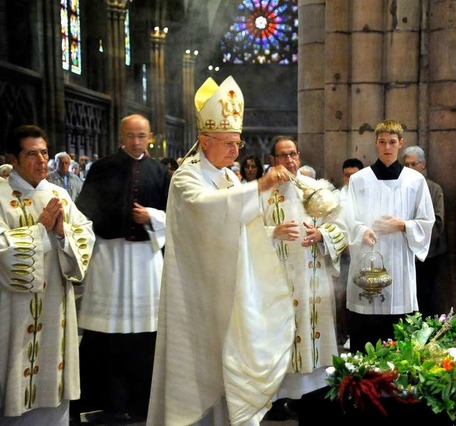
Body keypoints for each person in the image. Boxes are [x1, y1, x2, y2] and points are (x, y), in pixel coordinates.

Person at [148, 76, 294, 426]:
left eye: (238, 143)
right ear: (204, 140)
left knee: (230, 366)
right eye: (228, 143)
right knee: (200, 369)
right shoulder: (187, 177)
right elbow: (209, 209)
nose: (235, 150)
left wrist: (272, 232)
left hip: (227, 285)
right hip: (197, 290)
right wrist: (260, 185)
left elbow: (241, 219)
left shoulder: (228, 177)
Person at [71, 114, 170, 422]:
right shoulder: (102, 169)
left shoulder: (160, 172)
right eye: (131, 135)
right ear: (121, 136)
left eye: (142, 135)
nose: (136, 141)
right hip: (110, 258)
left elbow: (176, 216)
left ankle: (142, 404)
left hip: (146, 260)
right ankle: (105, 402)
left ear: (150, 136)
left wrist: (151, 217)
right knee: (106, 335)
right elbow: (85, 212)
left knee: (145, 335)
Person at [0, 125, 95, 424]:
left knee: (55, 398)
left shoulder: (59, 195)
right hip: (13, 314)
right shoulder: (1, 197)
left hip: (56, 310)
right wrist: (40, 230)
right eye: (31, 153)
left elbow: (85, 237)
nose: (42, 160)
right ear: (13, 159)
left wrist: (62, 234)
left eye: (44, 152)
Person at [260, 135, 346, 418]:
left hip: (313, 282)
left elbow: (342, 227)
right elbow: (243, 234)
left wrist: (322, 234)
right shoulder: (260, 194)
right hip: (277, 282)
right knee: (279, 340)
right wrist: (274, 232)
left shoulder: (315, 190)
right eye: (283, 155)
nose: (289, 161)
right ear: (273, 161)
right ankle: (277, 402)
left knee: (313, 339)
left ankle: (313, 401)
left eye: (293, 154)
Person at [344, 119, 435, 353]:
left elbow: (427, 221)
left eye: (392, 142)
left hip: (399, 261)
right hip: (366, 257)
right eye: (382, 142)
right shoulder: (359, 179)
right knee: (365, 330)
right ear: (375, 143)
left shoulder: (415, 181)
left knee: (397, 334)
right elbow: (347, 217)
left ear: (400, 144)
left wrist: (403, 225)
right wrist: (362, 230)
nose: (387, 147)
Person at [401, 145, 447, 317]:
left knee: (426, 297)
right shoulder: (399, 188)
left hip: (429, 253)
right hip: (403, 251)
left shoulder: (434, 189)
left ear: (423, 165)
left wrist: (415, 237)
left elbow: (438, 222)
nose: (410, 169)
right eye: (407, 165)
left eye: (414, 164)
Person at [333, 158, 364, 347]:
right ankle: (344, 334)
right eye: (347, 175)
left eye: (354, 175)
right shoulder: (336, 197)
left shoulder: (368, 194)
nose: (350, 179)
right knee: (343, 295)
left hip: (363, 252)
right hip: (344, 253)